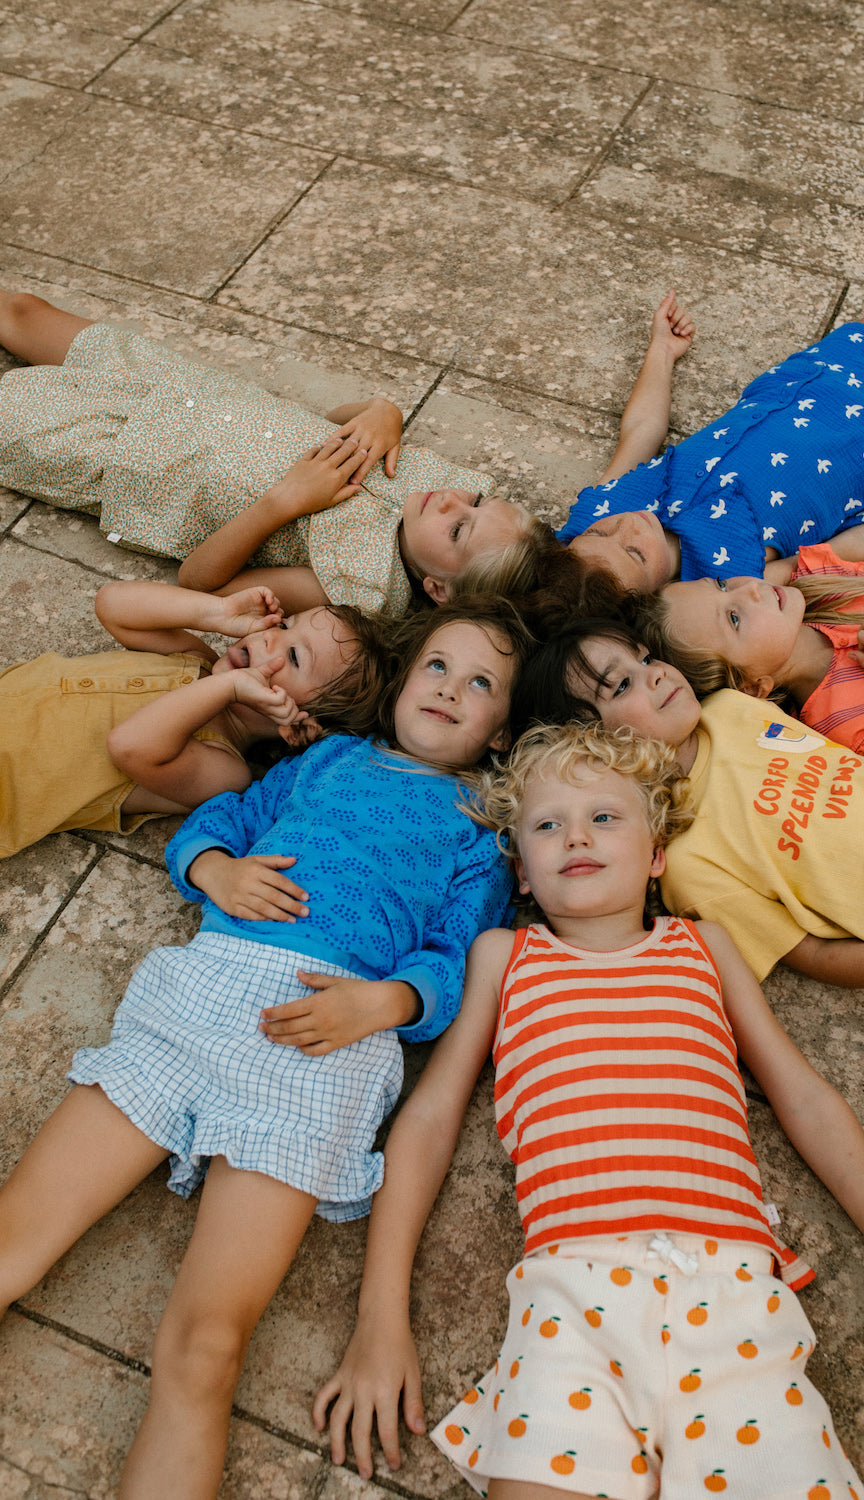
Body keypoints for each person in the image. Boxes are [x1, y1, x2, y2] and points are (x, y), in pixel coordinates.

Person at [311, 722, 864, 1500]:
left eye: (605, 816)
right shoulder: (505, 957)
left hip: (736, 1299)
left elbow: (803, 1098)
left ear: (658, 853)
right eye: (546, 824)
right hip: (570, 1300)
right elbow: (429, 1121)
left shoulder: (704, 948)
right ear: (522, 873)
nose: (576, 836)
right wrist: (379, 1318)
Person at [0, 597, 530, 1499]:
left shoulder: (484, 835)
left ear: (499, 730)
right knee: (13, 1240)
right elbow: (218, 825)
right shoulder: (322, 758)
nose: (450, 690)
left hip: (322, 1046)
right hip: (206, 993)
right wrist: (214, 870)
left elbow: (455, 961)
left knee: (206, 1347)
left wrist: (385, 1003)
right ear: (401, 681)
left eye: (479, 685)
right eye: (438, 666)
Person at [510, 619, 864, 999]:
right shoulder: (689, 864)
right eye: (621, 685)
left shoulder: (729, 706)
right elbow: (816, 956)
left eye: (645, 658)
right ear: (591, 747)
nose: (655, 672)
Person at [0, 291, 553, 614]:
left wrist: (283, 502)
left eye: (460, 531)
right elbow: (328, 429)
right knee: (23, 310)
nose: (453, 504)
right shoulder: (433, 483)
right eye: (477, 502)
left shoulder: (354, 586)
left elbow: (200, 586)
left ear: (437, 587)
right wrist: (379, 412)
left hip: (122, 454)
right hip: (182, 387)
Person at [558, 242, 864, 589]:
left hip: (811, 375)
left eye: (599, 536)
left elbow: (641, 430)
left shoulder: (602, 509)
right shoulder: (726, 581)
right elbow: (850, 550)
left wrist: (662, 352)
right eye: (634, 555)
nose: (624, 531)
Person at [640, 436, 864, 778]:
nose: (748, 588)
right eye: (734, 619)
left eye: (720, 584)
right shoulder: (849, 725)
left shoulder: (822, 586)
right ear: (751, 687)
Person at [0, 578, 386, 858]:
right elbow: (113, 604)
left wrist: (229, 687)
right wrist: (215, 612)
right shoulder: (194, 660)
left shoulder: (224, 770)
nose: (269, 637)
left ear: (300, 727)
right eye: (285, 625)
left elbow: (129, 746)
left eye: (296, 657)